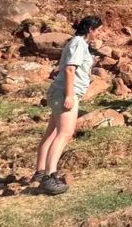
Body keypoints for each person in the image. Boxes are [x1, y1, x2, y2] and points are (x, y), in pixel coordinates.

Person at [32, 16, 103, 195]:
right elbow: (70, 69)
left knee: (53, 132)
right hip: (65, 93)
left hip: (59, 91)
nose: (99, 34)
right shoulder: (79, 43)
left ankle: (40, 172)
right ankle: (49, 177)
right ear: (90, 30)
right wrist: (70, 95)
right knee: (65, 133)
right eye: (98, 30)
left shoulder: (76, 42)